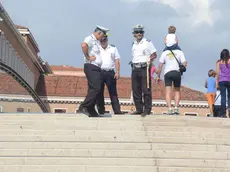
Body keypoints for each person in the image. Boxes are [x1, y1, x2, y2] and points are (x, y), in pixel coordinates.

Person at [77, 25, 109, 117]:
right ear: (99, 33)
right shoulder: (90, 38)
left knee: (95, 89)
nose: (102, 38)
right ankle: (84, 106)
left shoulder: (96, 41)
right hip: (91, 66)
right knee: (96, 87)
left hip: (97, 67)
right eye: (102, 36)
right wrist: (87, 57)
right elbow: (83, 45)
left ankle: (91, 109)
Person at [157, 33, 187, 115]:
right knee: (177, 91)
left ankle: (170, 108)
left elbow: (160, 65)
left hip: (167, 73)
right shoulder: (179, 51)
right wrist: (183, 67)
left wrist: (158, 76)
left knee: (168, 92)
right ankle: (176, 108)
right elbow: (184, 62)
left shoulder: (165, 52)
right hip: (176, 72)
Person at [130, 24, 157, 116]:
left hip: (144, 67)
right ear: (134, 34)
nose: (139, 34)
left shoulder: (147, 42)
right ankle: (139, 109)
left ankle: (147, 109)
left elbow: (154, 54)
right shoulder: (133, 44)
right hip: (135, 67)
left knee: (146, 89)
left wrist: (150, 60)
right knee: (136, 89)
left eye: (141, 32)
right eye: (137, 32)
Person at [96, 34, 123, 114]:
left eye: (104, 40)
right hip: (99, 72)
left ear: (107, 40)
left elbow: (117, 60)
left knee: (113, 92)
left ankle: (117, 110)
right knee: (99, 92)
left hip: (110, 72)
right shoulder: (97, 48)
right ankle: (101, 110)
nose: (103, 42)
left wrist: (117, 72)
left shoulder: (113, 48)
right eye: (101, 40)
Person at [216, 49, 230, 118]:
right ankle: (229, 110)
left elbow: (218, 73)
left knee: (223, 97)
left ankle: (223, 113)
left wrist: (217, 82)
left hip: (222, 81)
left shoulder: (219, 62)